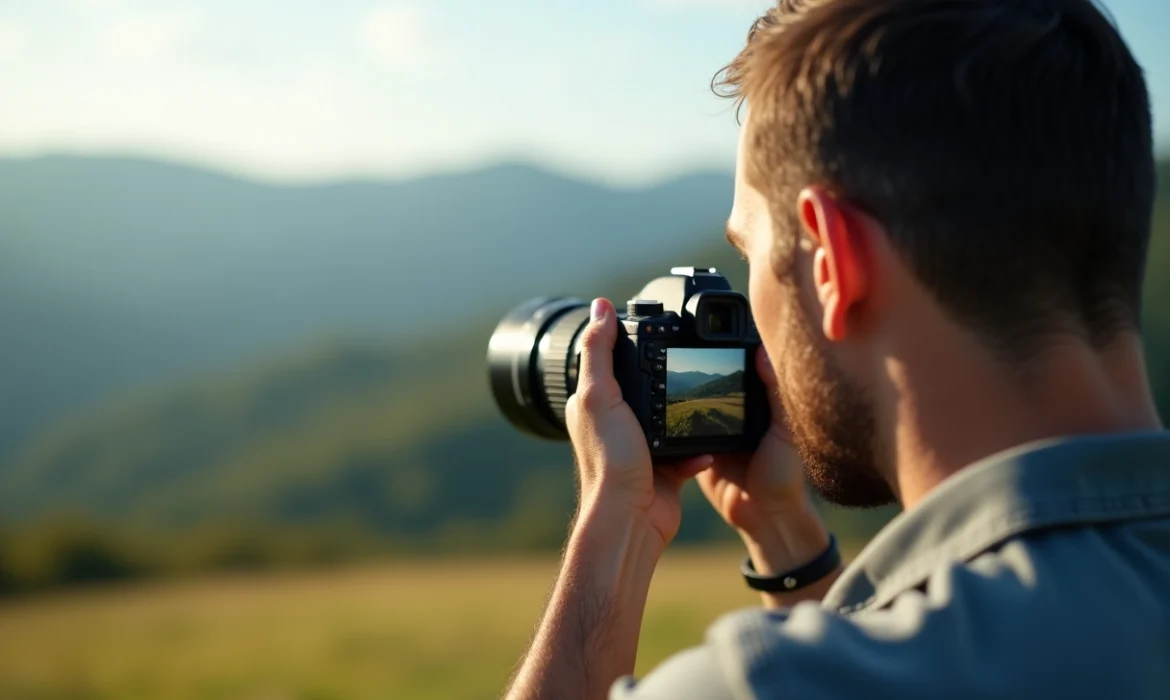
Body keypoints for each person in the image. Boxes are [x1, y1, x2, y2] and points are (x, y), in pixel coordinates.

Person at [505, 0, 1169, 697]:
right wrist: (785, 537)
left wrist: (619, 529)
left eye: (750, 251)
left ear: (831, 260)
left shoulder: (762, 684)